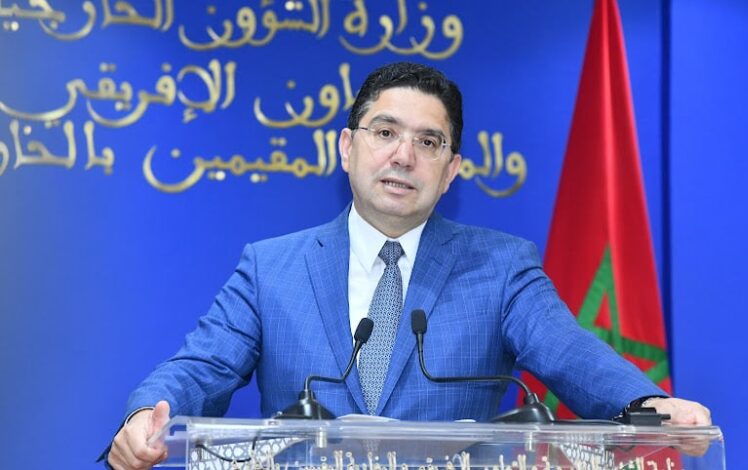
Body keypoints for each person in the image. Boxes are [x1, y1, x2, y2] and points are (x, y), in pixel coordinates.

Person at [104, 62, 710, 470]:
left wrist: (645, 402)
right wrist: (144, 414)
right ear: (347, 148)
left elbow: (567, 351)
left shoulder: (501, 267)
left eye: (428, 142)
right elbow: (202, 366)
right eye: (385, 132)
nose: (403, 155)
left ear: (450, 172)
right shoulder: (270, 268)